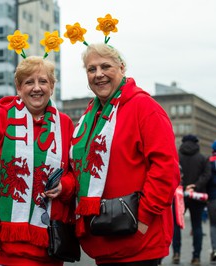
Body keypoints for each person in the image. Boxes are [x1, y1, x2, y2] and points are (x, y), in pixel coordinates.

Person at [69, 42, 180, 265]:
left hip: (137, 239)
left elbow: (166, 170)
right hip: (104, 237)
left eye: (105, 66)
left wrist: (143, 219)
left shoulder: (144, 107)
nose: (98, 74)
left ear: (122, 67)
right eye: (91, 69)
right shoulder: (91, 115)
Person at [0, 56, 76, 266]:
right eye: (29, 82)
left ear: (52, 86)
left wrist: (65, 186)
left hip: (52, 239)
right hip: (11, 241)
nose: (37, 88)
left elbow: (76, 172)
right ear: (18, 87)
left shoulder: (65, 124)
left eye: (43, 82)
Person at [174, 134, 211, 265]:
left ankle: (176, 253)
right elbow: (207, 175)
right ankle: (196, 257)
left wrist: (183, 187)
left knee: (177, 225)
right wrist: (195, 186)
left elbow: (173, 173)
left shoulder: (176, 157)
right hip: (197, 196)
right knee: (197, 226)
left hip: (179, 196)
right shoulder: (202, 158)